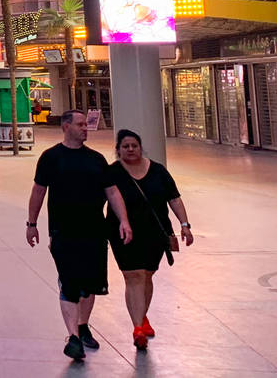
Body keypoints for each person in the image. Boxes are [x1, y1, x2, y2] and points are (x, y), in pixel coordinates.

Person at [25, 110, 133, 363]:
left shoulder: (96, 160)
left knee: (91, 284)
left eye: (86, 124)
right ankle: (73, 336)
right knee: (70, 282)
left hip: (95, 230)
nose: (86, 128)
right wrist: (31, 223)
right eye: (81, 124)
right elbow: (38, 191)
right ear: (66, 127)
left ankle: (83, 326)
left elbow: (113, 192)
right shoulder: (51, 158)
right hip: (63, 231)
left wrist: (124, 221)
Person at [107, 129, 194, 349]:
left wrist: (184, 225)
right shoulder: (112, 172)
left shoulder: (157, 170)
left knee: (147, 275)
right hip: (123, 232)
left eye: (134, 145)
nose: (130, 149)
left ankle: (141, 315)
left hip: (155, 231)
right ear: (118, 150)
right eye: (125, 146)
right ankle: (137, 327)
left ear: (140, 147)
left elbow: (174, 199)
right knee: (133, 275)